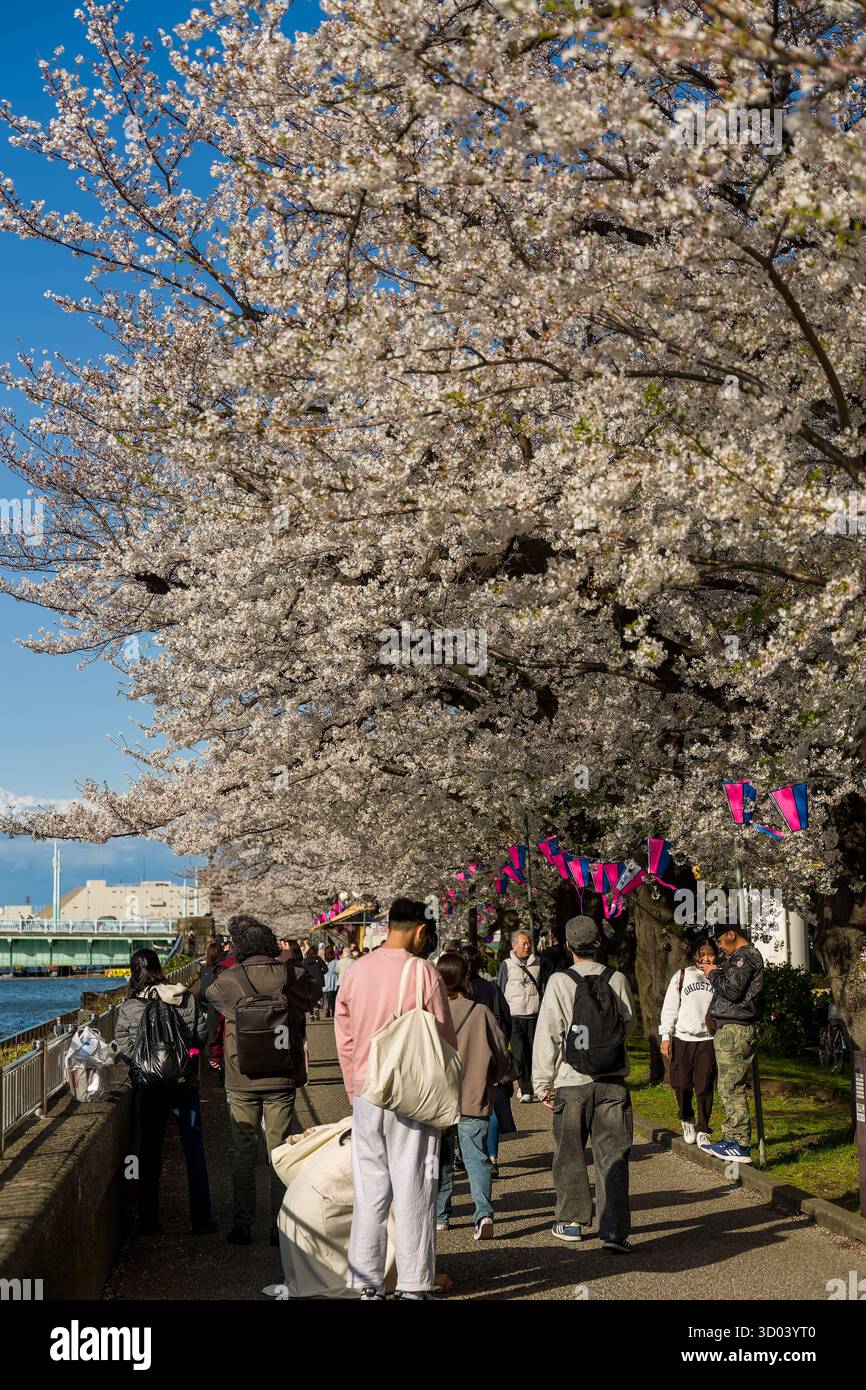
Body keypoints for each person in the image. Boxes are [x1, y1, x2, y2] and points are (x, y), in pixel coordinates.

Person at [335, 896, 458, 1300]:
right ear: (421, 930)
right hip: (411, 1096)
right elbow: (444, 1041)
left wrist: (355, 1089)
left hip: (367, 1094)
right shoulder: (423, 973)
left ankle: (366, 1282)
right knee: (415, 1189)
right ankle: (412, 1283)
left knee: (370, 1192)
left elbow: (345, 1037)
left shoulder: (354, 972)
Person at [207, 916, 322, 1245]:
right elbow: (311, 996)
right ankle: (279, 1225)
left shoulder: (227, 981)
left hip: (240, 1074)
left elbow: (209, 998)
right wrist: (292, 961)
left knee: (243, 1152)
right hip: (281, 1075)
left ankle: (243, 1224)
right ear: (273, 946)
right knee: (280, 1151)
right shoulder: (291, 975)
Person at [532, 915, 635, 1252]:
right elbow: (627, 1025)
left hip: (570, 1081)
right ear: (598, 943)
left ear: (567, 946)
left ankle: (571, 1221)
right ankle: (614, 1231)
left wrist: (542, 1083)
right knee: (613, 1156)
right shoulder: (616, 978)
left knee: (570, 1154)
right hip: (612, 1081)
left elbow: (549, 1033)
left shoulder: (560, 981)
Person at [114, 948, 215, 1237]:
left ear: (133, 973)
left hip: (151, 1088)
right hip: (185, 1084)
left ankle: (148, 1220)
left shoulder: (130, 1007)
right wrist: (189, 1056)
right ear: (160, 967)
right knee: (194, 1150)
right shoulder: (184, 996)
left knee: (150, 1152)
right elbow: (200, 1034)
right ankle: (202, 1219)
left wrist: (143, 1065)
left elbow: (123, 1044)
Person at [435, 953, 510, 1239]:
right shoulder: (480, 1013)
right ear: (466, 978)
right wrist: (493, 1077)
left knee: (442, 1158)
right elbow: (501, 1052)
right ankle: (483, 1214)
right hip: (474, 1094)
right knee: (477, 1157)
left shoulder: (431, 1014)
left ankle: (441, 1215)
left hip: (438, 1099)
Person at [700, 920, 765, 1164]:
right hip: (730, 1028)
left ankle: (740, 1143)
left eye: (719, 940)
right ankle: (730, 1137)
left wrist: (713, 973)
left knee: (731, 1087)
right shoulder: (739, 958)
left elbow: (733, 990)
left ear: (731, 934)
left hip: (736, 1030)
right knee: (727, 1086)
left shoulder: (744, 957)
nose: (718, 946)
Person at [659, 936, 718, 1147]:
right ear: (694, 955)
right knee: (681, 1084)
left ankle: (703, 1127)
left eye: (710, 953)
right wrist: (665, 1036)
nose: (706, 958)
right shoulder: (683, 975)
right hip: (683, 1038)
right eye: (702, 954)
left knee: (704, 1085)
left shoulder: (719, 977)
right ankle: (687, 1117)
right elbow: (670, 1008)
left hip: (708, 1040)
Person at [464, 947, 515, 1175]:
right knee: (491, 1107)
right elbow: (507, 1021)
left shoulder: (456, 992)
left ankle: (465, 1153)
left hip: (464, 1055)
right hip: (491, 1053)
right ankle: (491, 1156)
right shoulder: (492, 989)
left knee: (463, 1106)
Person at [497, 930, 542, 1101]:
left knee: (532, 1052)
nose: (527, 946)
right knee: (519, 1053)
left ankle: (529, 1083)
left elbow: (542, 986)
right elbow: (501, 989)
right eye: (523, 943)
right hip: (514, 1016)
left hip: (533, 1015)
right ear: (514, 945)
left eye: (529, 943)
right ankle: (526, 1090)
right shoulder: (506, 965)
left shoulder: (538, 962)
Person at [198, 941, 223, 1061]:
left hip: (205, 1004)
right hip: (216, 1004)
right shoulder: (220, 970)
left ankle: (210, 1056)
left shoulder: (204, 969)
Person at [304, 944, 327, 1021]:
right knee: (318, 996)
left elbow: (303, 971)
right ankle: (317, 1008)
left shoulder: (305, 961)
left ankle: (311, 1015)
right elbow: (326, 969)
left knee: (310, 997)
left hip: (309, 981)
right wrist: (320, 973)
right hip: (319, 980)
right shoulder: (318, 959)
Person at [323, 946, 339, 1018]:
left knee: (326, 997)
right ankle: (333, 1010)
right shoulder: (336, 961)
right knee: (333, 997)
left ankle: (327, 1010)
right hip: (334, 980)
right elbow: (337, 970)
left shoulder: (324, 961)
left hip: (325, 980)